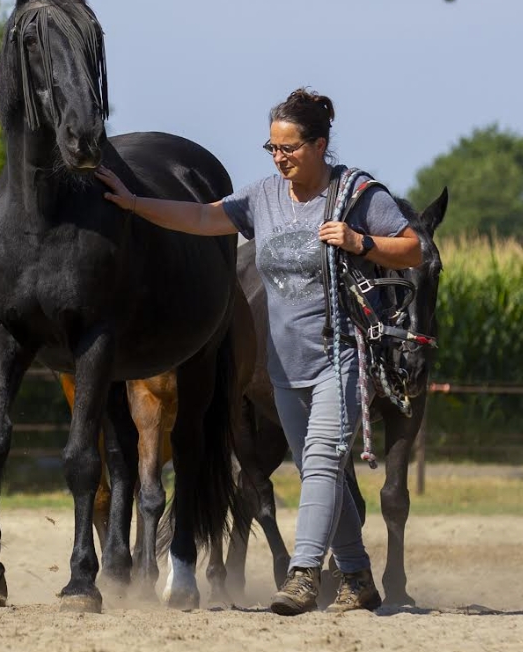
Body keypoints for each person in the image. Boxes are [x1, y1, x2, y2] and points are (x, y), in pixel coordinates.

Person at [95, 88, 421, 615]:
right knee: (325, 471)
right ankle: (358, 576)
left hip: (340, 354)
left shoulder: (358, 195)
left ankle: (303, 573)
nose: (279, 157)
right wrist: (134, 205)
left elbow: (415, 249)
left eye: (288, 147)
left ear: (319, 145)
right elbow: (202, 219)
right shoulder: (263, 197)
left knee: (318, 462)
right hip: (283, 366)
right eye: (271, 148)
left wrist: (362, 243)